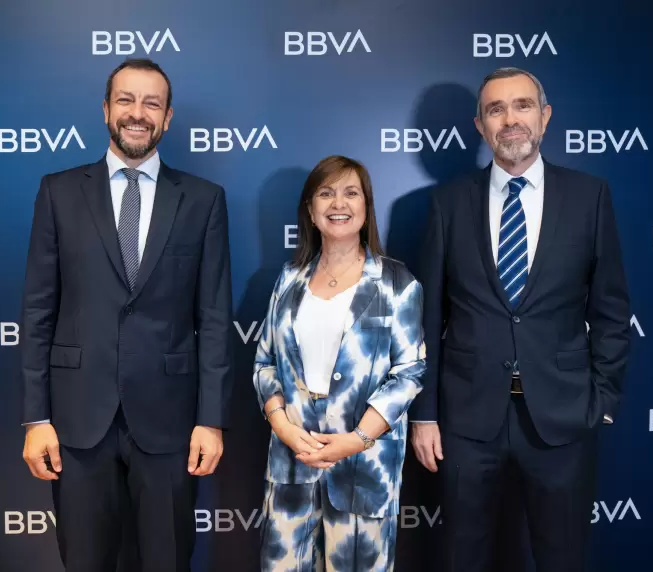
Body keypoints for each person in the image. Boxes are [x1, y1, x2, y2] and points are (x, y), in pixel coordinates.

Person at [409, 67, 631, 571]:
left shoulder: (589, 196)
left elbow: (612, 309)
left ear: (545, 117)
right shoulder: (446, 204)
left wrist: (603, 399)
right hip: (465, 421)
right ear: (480, 126)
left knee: (561, 557)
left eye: (523, 105)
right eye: (496, 110)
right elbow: (427, 320)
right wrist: (424, 414)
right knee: (462, 557)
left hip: (562, 415)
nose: (510, 120)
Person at [19, 58, 233, 572]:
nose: (138, 113)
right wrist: (35, 417)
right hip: (76, 422)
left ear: (168, 117)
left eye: (151, 103)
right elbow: (37, 311)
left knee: (166, 561)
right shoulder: (58, 192)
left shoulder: (203, 200)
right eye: (126, 100)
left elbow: (215, 318)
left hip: (170, 424)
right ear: (106, 109)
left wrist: (211, 420)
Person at [254, 155, 426, 571]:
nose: (339, 203)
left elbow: (409, 373)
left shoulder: (397, 284)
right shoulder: (288, 279)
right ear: (311, 212)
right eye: (326, 193)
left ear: (366, 207)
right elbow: (264, 363)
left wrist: (358, 439)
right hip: (291, 462)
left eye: (351, 193)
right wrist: (283, 428)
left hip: (363, 468)